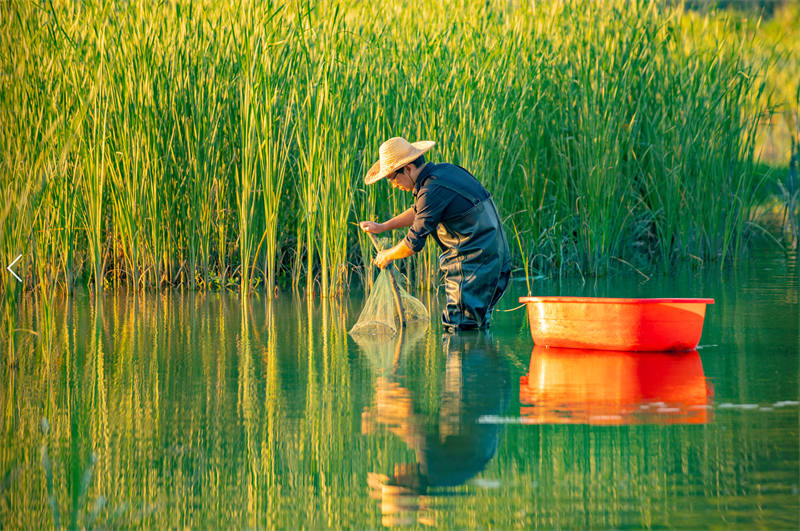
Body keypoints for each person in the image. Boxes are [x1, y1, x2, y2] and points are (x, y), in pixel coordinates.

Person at [360, 137, 511, 331]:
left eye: (392, 176)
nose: (392, 184)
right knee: (475, 326)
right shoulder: (444, 173)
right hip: (495, 261)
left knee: (457, 329)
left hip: (473, 265)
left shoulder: (431, 190)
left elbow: (413, 243)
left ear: (408, 168)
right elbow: (420, 211)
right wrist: (383, 226)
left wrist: (386, 255)